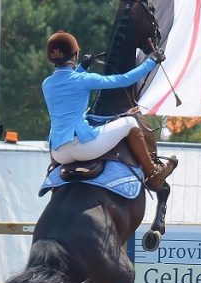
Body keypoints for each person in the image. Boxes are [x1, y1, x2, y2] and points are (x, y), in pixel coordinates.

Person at [42, 31, 177, 190]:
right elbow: (124, 79)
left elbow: (67, 83)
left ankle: (52, 173)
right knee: (130, 122)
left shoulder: (47, 84)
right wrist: (151, 61)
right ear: (74, 56)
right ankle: (153, 172)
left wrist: (82, 67)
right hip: (83, 149)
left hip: (58, 153)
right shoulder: (84, 80)